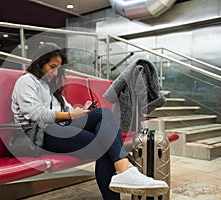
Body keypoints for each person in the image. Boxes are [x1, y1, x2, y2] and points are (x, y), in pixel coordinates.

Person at [11, 42, 169, 199]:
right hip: (37, 134)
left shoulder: (51, 88)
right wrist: (70, 116)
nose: (55, 73)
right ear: (39, 61)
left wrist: (83, 111)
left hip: (59, 129)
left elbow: (67, 110)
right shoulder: (26, 81)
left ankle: (124, 171)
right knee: (105, 140)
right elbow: (34, 113)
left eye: (58, 68)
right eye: (52, 67)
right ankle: (125, 170)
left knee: (102, 118)